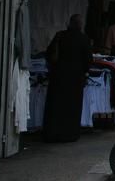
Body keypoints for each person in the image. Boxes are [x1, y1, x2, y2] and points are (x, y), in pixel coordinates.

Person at [43, 14, 92, 142]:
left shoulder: (60, 36)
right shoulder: (84, 39)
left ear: (69, 23)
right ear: (81, 25)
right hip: (75, 79)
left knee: (56, 106)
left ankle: (52, 133)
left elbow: (48, 54)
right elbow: (88, 61)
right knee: (72, 107)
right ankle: (70, 134)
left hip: (58, 77)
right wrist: (85, 73)